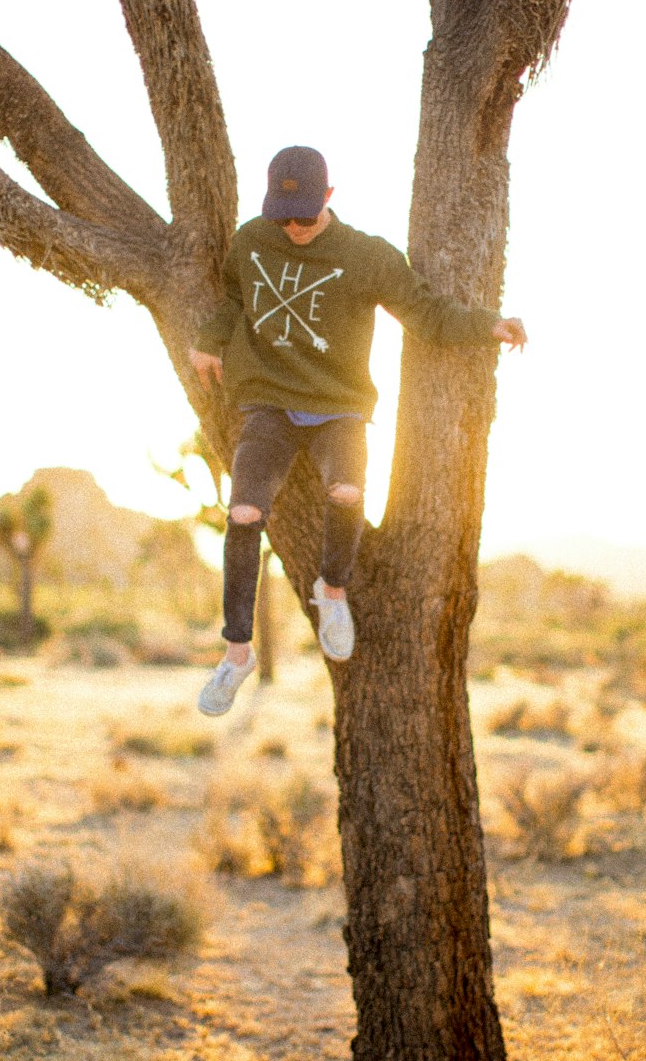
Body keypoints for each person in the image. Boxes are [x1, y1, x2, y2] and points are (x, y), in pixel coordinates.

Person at [190, 145, 527, 717]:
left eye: (303, 215)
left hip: (337, 406)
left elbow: (426, 312)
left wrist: (488, 325)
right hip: (268, 403)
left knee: (346, 492)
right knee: (245, 514)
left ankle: (333, 591)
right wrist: (208, 337)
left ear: (328, 198)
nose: (292, 228)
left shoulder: (366, 256)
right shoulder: (250, 241)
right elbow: (233, 298)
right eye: (282, 216)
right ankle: (237, 652)